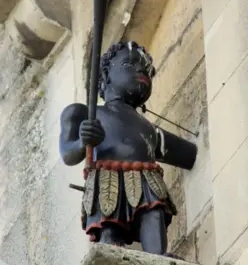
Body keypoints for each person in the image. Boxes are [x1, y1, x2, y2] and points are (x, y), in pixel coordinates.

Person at [59, 41, 197, 256]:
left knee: (154, 211)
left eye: (148, 70)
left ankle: (157, 256)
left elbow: (187, 154)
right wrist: (83, 142)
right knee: (109, 225)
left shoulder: (150, 129)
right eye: (128, 64)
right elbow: (68, 153)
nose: (141, 70)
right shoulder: (85, 114)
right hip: (107, 177)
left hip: (146, 176)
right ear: (105, 74)